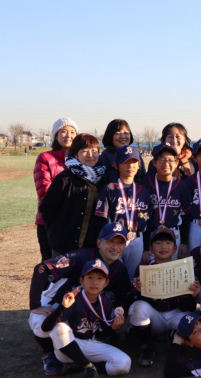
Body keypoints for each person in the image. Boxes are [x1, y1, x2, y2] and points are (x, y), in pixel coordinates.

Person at [28, 223, 130, 376]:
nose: (115, 247)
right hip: (62, 301)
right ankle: (50, 353)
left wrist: (118, 313)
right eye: (110, 241)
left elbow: (123, 296)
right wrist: (35, 305)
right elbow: (41, 268)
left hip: (86, 312)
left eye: (120, 242)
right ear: (99, 243)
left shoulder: (119, 269)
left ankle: (80, 357)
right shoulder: (80, 256)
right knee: (41, 323)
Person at [40, 259, 131, 377]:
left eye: (100, 278)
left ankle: (82, 365)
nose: (95, 282)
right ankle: (87, 367)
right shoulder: (73, 298)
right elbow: (46, 327)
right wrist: (62, 307)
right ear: (81, 280)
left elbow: (101, 335)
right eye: (90, 277)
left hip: (90, 344)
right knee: (59, 327)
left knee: (124, 363)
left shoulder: (106, 302)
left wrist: (113, 328)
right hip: (68, 346)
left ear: (106, 283)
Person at [129, 227, 201, 368]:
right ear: (150, 248)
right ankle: (147, 347)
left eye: (168, 243)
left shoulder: (183, 268)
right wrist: (139, 292)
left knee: (193, 322)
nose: (163, 246)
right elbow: (134, 299)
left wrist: (193, 295)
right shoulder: (143, 267)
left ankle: (174, 337)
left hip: (175, 314)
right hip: (154, 317)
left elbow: (187, 307)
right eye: (158, 243)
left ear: (175, 248)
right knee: (138, 307)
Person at [39, 133, 107, 256]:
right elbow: (46, 209)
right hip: (64, 247)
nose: (90, 155)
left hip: (93, 247)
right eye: (85, 151)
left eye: (94, 151)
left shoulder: (103, 177)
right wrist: (57, 233)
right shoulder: (64, 178)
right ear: (75, 154)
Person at [95, 145, 152, 279]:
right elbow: (101, 220)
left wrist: (146, 249)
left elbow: (147, 223)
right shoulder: (109, 189)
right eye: (125, 162)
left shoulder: (143, 191)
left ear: (139, 165)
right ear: (116, 165)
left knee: (133, 277)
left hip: (137, 239)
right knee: (113, 275)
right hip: (115, 240)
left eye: (133, 162)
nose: (130, 166)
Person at [34, 117, 78, 260]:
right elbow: (44, 192)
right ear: (56, 135)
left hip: (74, 223)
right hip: (50, 223)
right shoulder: (45, 158)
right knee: (50, 267)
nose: (68, 135)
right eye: (63, 131)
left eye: (72, 132)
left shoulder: (80, 160)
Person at [142, 143, 191, 261]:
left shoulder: (181, 185)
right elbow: (144, 218)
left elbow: (186, 216)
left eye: (170, 160)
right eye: (162, 159)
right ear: (154, 163)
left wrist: (184, 242)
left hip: (173, 234)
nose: (166, 164)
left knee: (171, 273)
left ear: (176, 163)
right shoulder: (145, 183)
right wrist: (145, 249)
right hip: (152, 235)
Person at [99, 119, 146, 184]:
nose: (123, 136)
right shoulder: (102, 160)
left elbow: (143, 181)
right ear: (110, 136)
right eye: (117, 133)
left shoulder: (137, 157)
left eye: (126, 133)